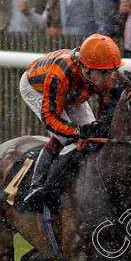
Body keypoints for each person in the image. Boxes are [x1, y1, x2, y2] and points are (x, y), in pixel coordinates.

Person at [18, 34, 123, 208]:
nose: (108, 78)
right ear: (87, 69)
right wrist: (76, 131)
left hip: (71, 90)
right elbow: (50, 118)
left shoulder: (103, 76)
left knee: (92, 136)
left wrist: (98, 127)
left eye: (111, 71)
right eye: (103, 72)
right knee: (65, 137)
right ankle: (35, 185)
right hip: (36, 87)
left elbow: (105, 112)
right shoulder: (61, 73)